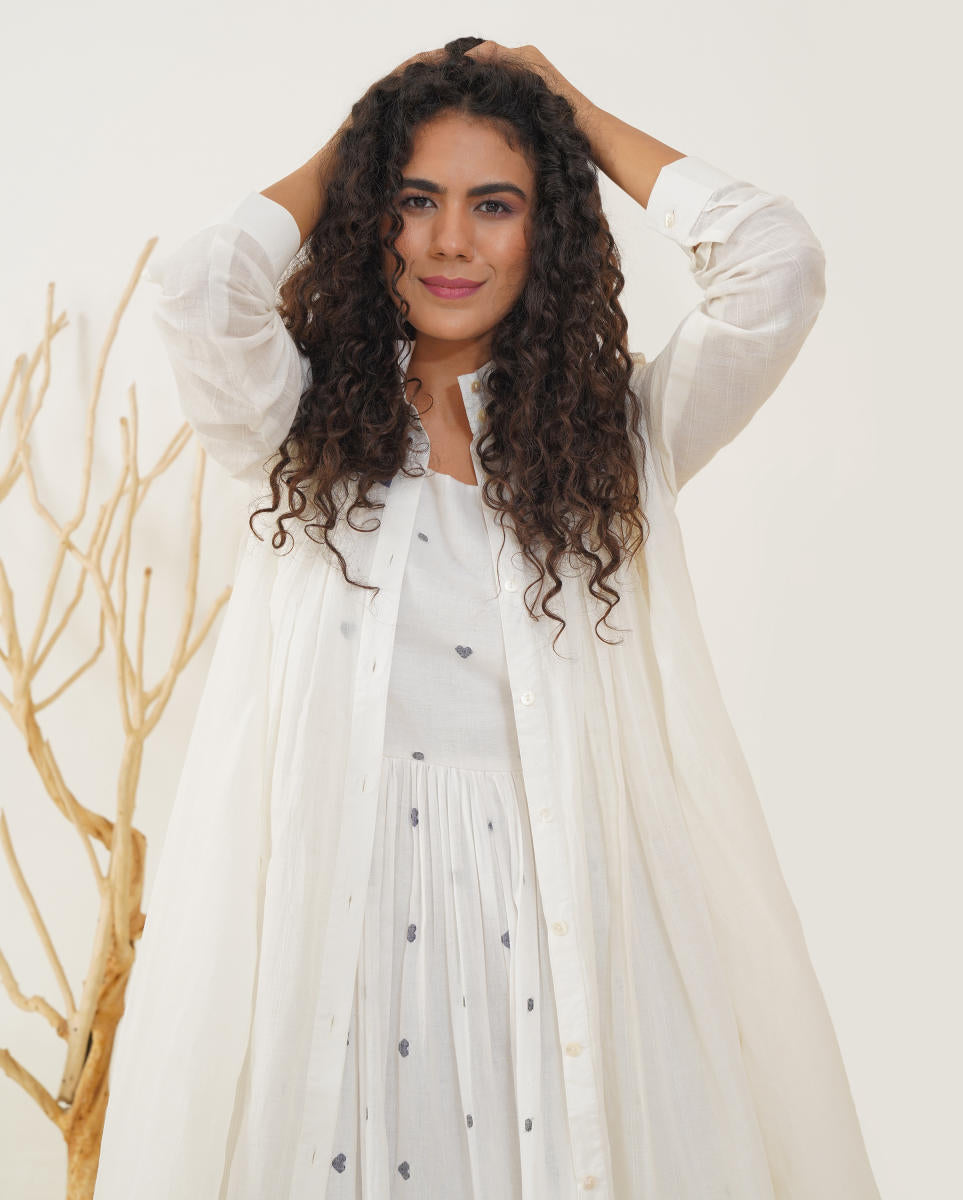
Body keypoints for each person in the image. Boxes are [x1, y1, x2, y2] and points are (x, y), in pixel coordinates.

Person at [93, 35, 882, 1200]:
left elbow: (778, 266)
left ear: (545, 231)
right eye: (414, 200)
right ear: (370, 217)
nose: (450, 242)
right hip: (346, 931)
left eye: (495, 205)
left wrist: (574, 111)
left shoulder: (621, 443)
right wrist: (360, 136)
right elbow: (196, 287)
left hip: (568, 935)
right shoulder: (293, 428)